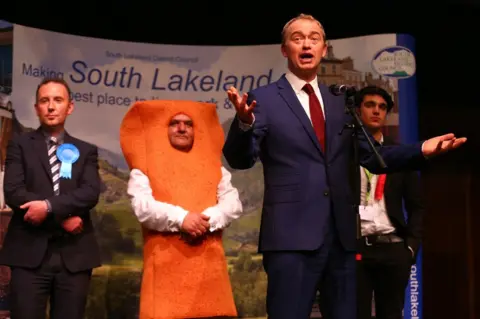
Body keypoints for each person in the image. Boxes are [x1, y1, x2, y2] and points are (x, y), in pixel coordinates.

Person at [223, 13, 466, 319]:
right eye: (297, 38)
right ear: (285, 50)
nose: (306, 43)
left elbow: (373, 158)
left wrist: (422, 150)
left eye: (314, 38)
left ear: (325, 49)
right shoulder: (265, 99)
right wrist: (244, 124)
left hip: (341, 239)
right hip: (291, 238)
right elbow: (240, 159)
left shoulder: (340, 102)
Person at [120, 99, 244, 319]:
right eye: (174, 123)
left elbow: (232, 204)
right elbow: (142, 207)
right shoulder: (144, 167)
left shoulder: (215, 167)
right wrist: (182, 218)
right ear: (163, 129)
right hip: (165, 271)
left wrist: (205, 220)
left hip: (208, 270)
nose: (181, 128)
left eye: (188, 123)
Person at [0, 77, 102, 319]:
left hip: (75, 256)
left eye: (58, 100)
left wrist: (47, 207)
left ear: (70, 106)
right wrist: (62, 218)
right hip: (28, 255)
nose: (51, 106)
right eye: (44, 101)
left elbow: (89, 193)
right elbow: (14, 192)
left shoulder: (86, 150)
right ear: (36, 108)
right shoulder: (19, 145)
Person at [354, 86, 424, 319]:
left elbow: (417, 205)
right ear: (357, 110)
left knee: (392, 314)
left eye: (382, 107)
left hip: (394, 248)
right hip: (357, 247)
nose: (376, 111)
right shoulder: (344, 153)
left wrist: (410, 248)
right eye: (370, 105)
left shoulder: (399, 153)